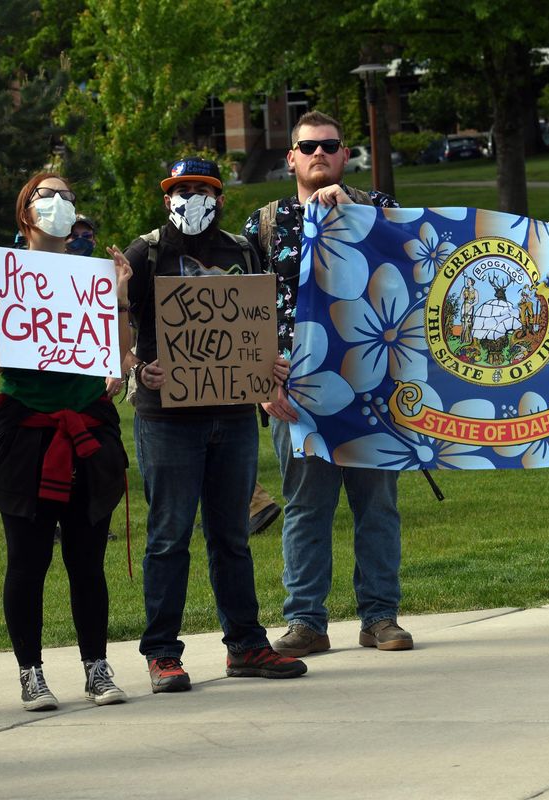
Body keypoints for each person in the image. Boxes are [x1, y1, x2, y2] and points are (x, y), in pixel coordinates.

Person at [123, 156, 307, 692]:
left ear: (220, 198)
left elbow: (259, 320)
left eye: (203, 189)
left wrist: (270, 365)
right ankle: (162, 653)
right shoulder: (147, 251)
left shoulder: (242, 250)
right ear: (167, 199)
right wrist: (139, 368)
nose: (192, 198)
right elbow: (112, 326)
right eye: (182, 189)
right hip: (168, 420)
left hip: (231, 415)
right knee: (168, 536)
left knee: (232, 536)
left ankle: (246, 645)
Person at [244, 110, 414, 657]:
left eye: (330, 146)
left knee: (378, 508)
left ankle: (380, 618)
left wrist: (355, 214)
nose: (320, 154)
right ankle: (306, 623)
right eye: (309, 146)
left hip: (373, 389)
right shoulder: (264, 224)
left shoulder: (380, 211)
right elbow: (247, 309)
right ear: (291, 156)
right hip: (297, 396)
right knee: (305, 507)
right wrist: (260, 382)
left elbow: (418, 274)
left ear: (345, 155)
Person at [0, 172, 132, 711]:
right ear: (27, 213)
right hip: (27, 430)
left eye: (69, 195)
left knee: (87, 558)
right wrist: (6, 320)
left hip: (89, 425)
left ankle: (97, 666)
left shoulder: (94, 274)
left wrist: (120, 297)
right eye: (48, 196)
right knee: (27, 558)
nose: (60, 203)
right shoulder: (0, 279)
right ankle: (31, 673)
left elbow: (119, 352)